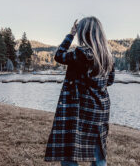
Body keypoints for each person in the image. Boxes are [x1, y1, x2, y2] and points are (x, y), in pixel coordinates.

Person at [45, 16, 115, 166]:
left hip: (79, 109)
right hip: (100, 109)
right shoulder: (108, 56)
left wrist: (70, 34)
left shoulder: (81, 53)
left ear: (83, 33)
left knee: (69, 149)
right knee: (98, 152)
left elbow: (59, 55)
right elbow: (110, 81)